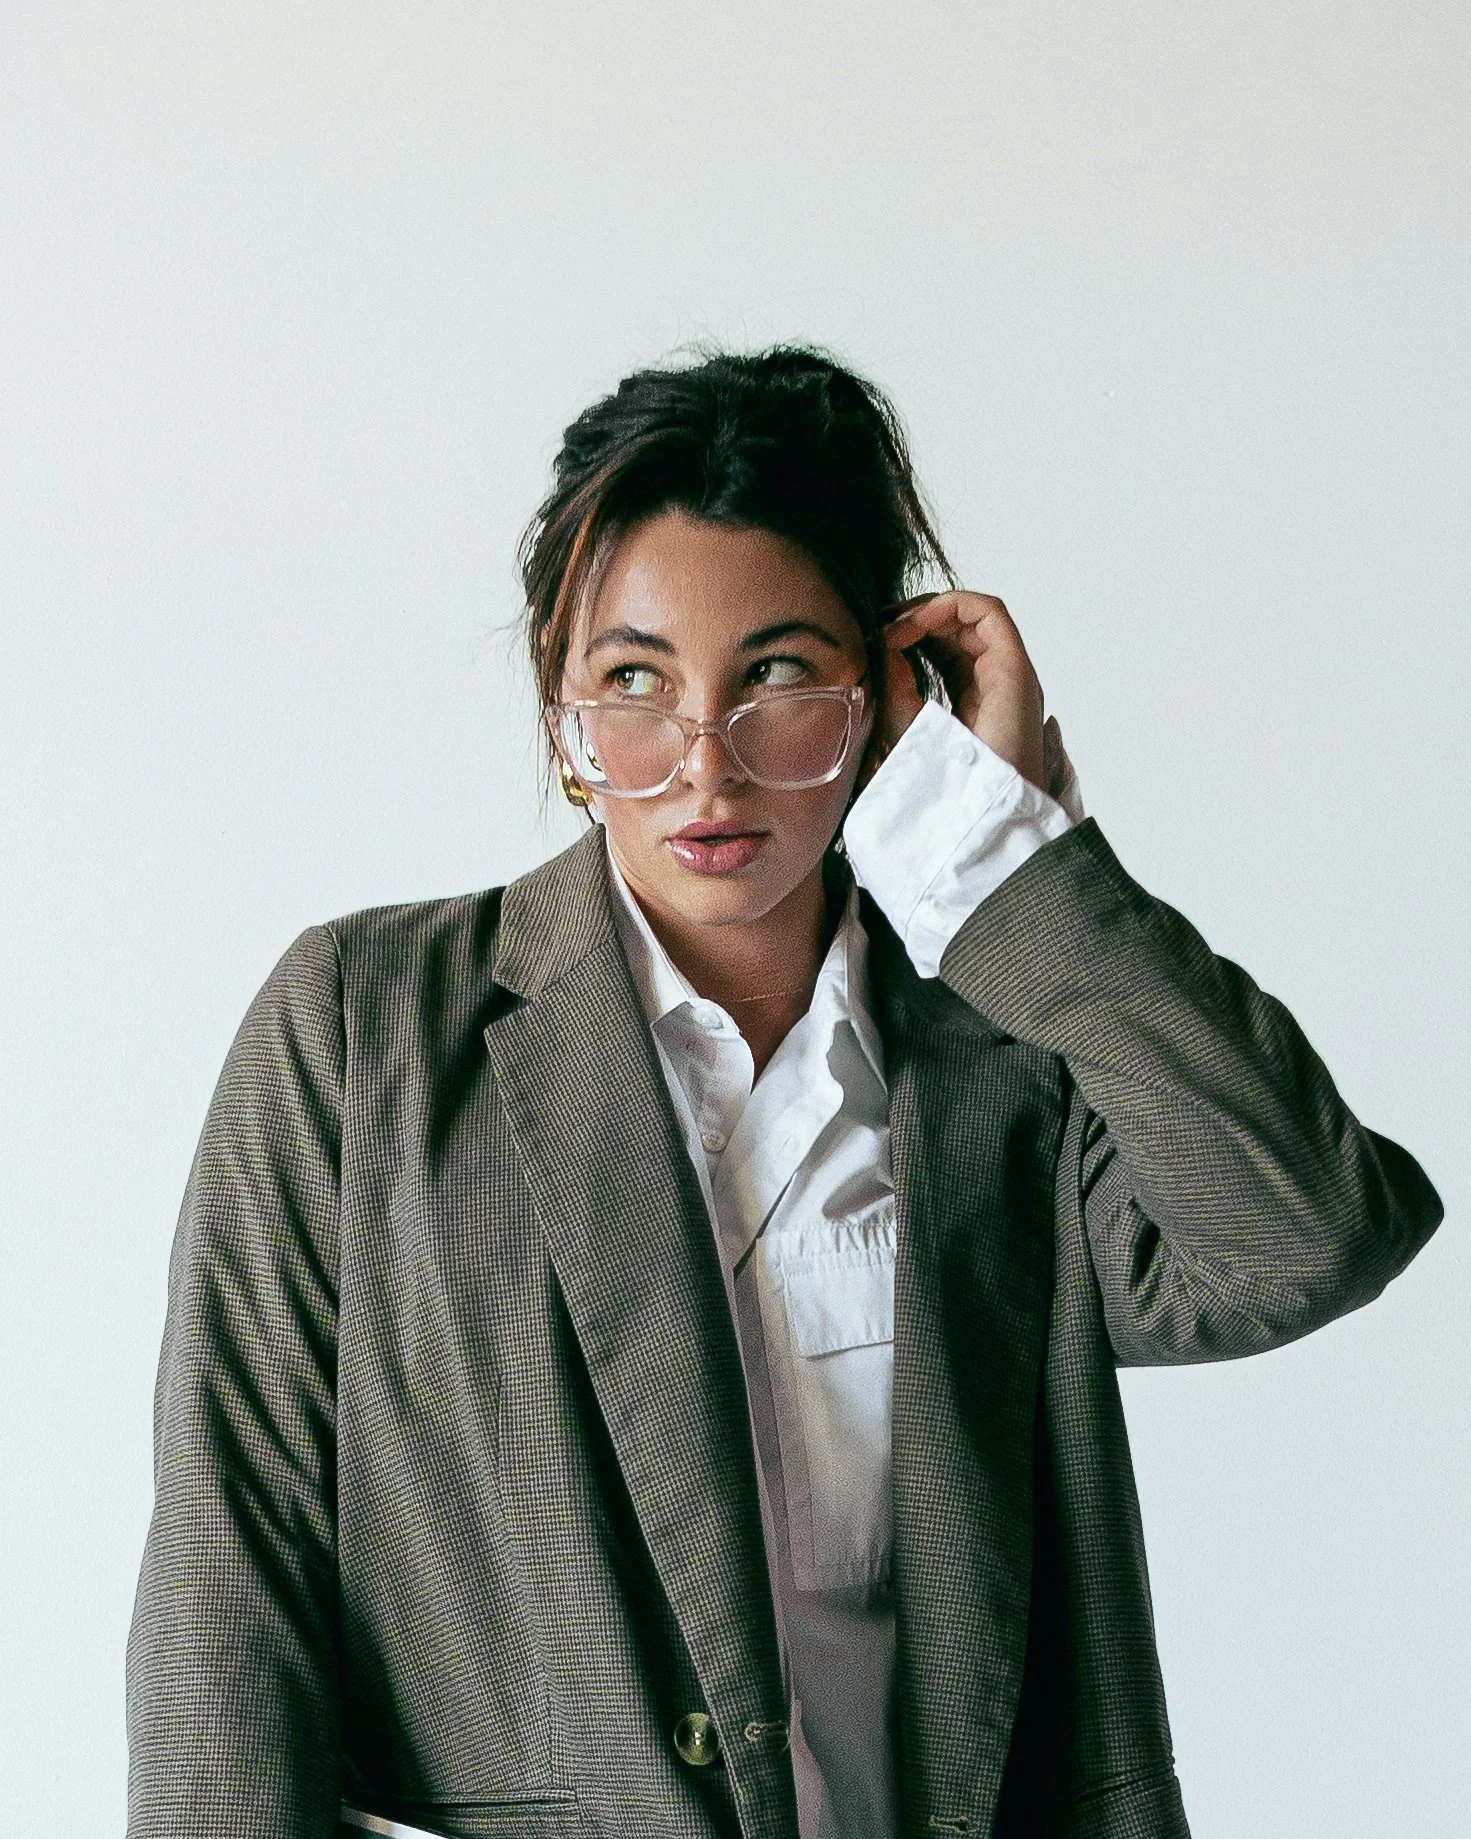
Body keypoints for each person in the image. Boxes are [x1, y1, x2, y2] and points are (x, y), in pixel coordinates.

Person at [126, 346, 1442, 1839]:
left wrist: (1003, 866)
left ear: (889, 691)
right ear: (561, 699)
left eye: (776, 676)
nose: (707, 766)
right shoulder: (362, 1029)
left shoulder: (1007, 1054)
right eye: (634, 681)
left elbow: (1305, 1233)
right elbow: (227, 1600)